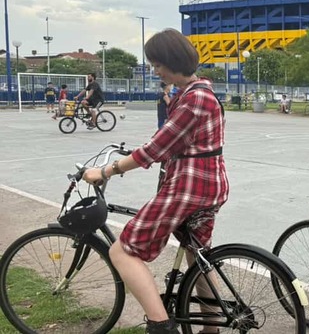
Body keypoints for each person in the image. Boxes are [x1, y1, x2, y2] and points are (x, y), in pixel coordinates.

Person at [82, 28, 229, 334]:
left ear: (172, 61)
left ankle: (160, 326)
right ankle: (212, 328)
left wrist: (107, 170)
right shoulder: (198, 91)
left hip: (190, 189)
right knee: (197, 255)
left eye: (157, 63)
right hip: (207, 185)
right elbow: (175, 141)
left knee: (121, 251)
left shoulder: (194, 100)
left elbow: (155, 150)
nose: (154, 70)